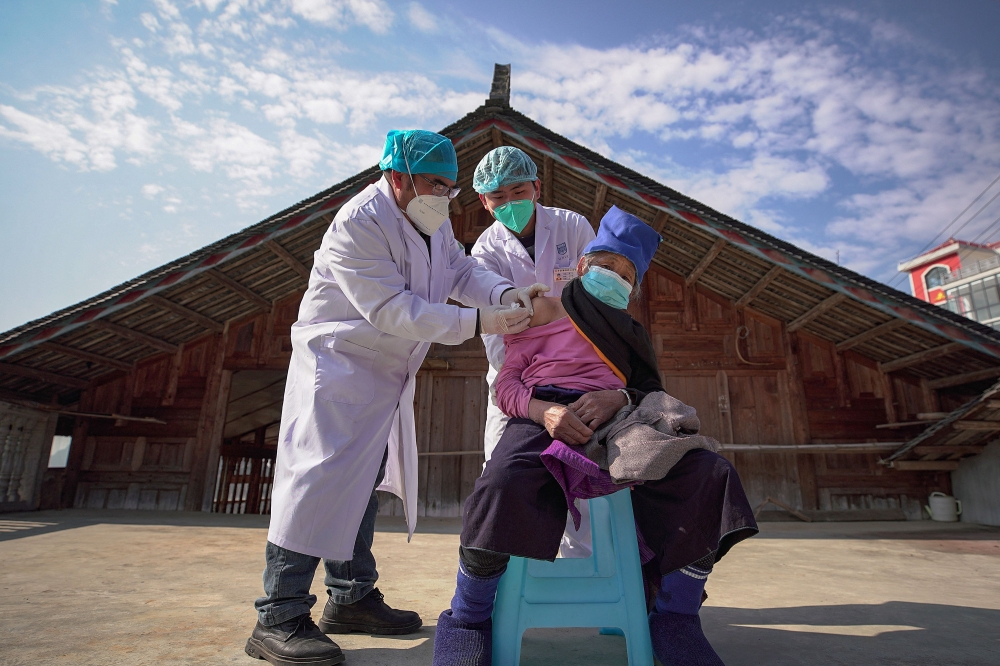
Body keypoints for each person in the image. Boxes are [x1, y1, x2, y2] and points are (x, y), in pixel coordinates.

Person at [245, 129, 548, 666]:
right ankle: (278, 614)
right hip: (338, 367)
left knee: (361, 482)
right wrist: (484, 320)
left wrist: (504, 293)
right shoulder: (357, 224)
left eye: (451, 187)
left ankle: (351, 597)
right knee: (316, 481)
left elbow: (460, 270)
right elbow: (393, 310)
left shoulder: (431, 218)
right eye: (435, 183)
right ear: (397, 177)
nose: (444, 195)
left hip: (385, 371)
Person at [432, 206, 759, 666]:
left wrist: (619, 397)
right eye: (604, 264)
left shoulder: (628, 331)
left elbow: (649, 391)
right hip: (544, 413)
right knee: (500, 484)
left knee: (708, 473)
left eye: (623, 272)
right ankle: (468, 618)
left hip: (621, 420)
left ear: (634, 286)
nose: (611, 275)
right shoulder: (542, 311)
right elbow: (507, 386)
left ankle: (676, 617)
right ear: (583, 265)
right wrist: (544, 412)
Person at [469, 146, 603, 557]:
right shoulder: (484, 252)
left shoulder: (573, 227)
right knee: (503, 469)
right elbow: (493, 329)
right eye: (499, 196)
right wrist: (527, 390)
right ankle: (503, 573)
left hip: (581, 370)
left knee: (584, 465)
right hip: (519, 376)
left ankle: (582, 569)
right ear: (484, 202)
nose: (510, 203)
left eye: (518, 190)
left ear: (537, 187)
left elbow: (599, 301)